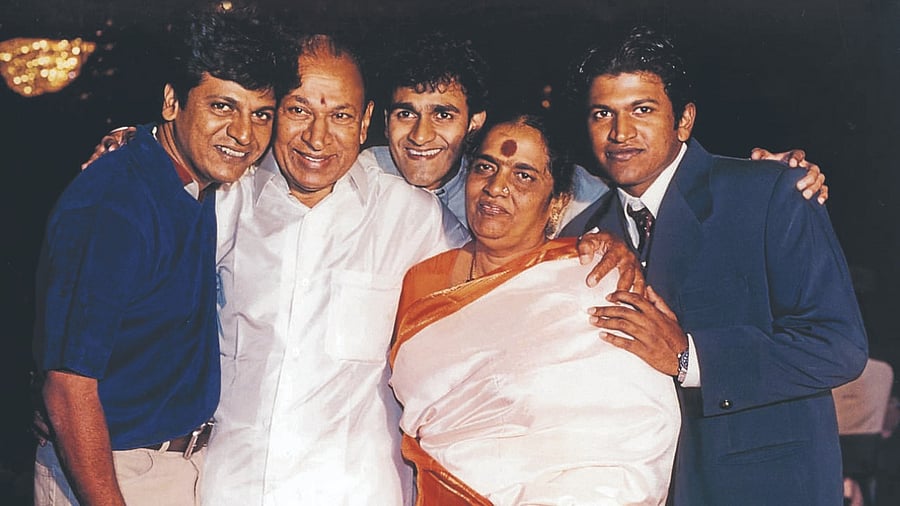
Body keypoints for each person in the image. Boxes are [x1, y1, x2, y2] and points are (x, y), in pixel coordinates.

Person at [570, 27, 868, 505]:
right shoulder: (581, 237)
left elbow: (839, 346)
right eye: (602, 113)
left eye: (641, 110)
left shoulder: (770, 192)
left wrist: (690, 358)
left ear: (684, 120)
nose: (619, 133)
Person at [31, 9, 289, 506]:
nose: (244, 134)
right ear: (173, 101)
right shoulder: (114, 206)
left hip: (179, 469)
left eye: (261, 113)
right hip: (116, 472)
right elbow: (66, 388)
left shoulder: (198, 177)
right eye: (222, 106)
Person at [389, 113, 681, 505]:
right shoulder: (422, 280)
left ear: (557, 201)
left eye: (523, 175)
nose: (496, 188)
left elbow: (640, 433)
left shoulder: (595, 278)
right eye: (485, 167)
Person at [367, 33, 828, 232]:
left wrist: (764, 178)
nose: (421, 135)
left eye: (443, 115)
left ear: (475, 122)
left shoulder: (526, 188)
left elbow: (649, 189)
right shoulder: (360, 173)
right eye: (405, 114)